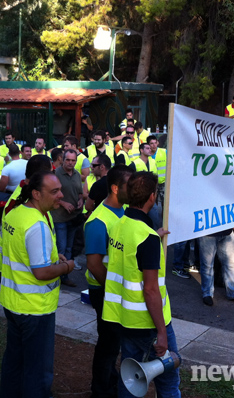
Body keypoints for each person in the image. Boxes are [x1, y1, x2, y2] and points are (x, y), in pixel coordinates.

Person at [102, 171, 180, 398]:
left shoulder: (119, 224)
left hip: (124, 319)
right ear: (152, 197)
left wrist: (153, 235)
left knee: (131, 378)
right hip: (148, 324)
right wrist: (162, 333)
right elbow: (151, 289)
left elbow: (129, 255)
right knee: (168, 381)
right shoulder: (147, 238)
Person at [0, 171, 74, 398]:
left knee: (14, 358)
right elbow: (41, 272)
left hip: (13, 303)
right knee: (37, 368)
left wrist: (53, 259)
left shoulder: (15, 213)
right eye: (54, 191)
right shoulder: (37, 224)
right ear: (36, 194)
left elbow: (21, 254)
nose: (60, 195)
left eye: (60, 189)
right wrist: (66, 267)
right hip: (34, 308)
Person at [84, 165, 134, 398]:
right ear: (115, 188)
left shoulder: (123, 210)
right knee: (108, 343)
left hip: (114, 290)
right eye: (129, 186)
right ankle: (101, 391)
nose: (134, 190)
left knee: (113, 342)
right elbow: (94, 266)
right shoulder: (98, 222)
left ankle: (110, 380)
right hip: (104, 291)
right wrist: (114, 289)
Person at [0, 155, 53, 278]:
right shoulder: (20, 201)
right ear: (42, 176)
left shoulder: (32, 196)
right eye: (52, 173)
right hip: (19, 271)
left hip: (29, 266)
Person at [51, 150, 84, 281]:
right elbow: (50, 194)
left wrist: (81, 200)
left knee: (70, 248)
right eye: (68, 160)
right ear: (63, 160)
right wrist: (63, 203)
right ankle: (57, 276)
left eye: (73, 160)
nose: (71, 163)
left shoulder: (76, 174)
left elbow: (80, 192)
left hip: (73, 217)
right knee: (61, 248)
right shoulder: (56, 174)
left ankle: (65, 277)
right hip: (60, 218)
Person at [198, 229, 234, 306]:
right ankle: (207, 293)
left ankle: (232, 292)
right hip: (208, 233)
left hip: (227, 232)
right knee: (207, 265)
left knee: (230, 264)